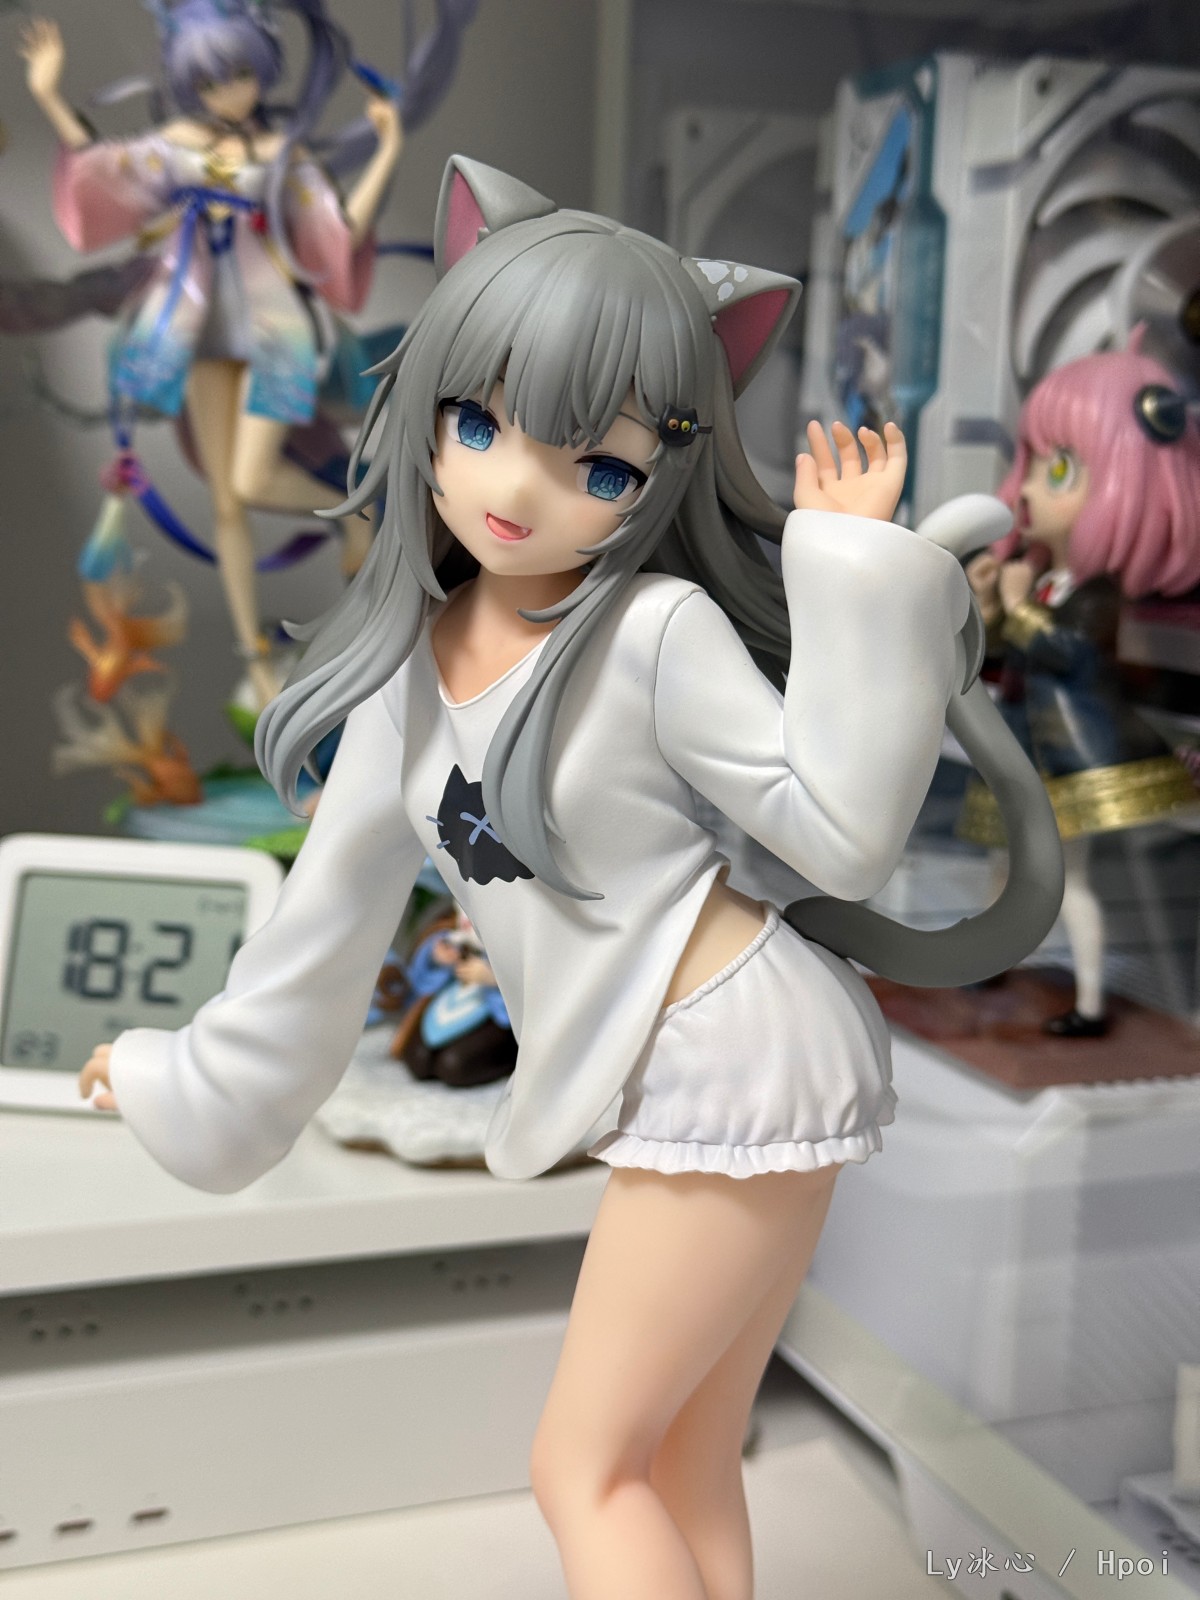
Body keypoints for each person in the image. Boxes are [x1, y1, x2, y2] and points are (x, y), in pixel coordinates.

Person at [81, 155, 1058, 1600]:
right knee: (682, 1458)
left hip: (732, 1049)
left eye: (600, 467)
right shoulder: (407, 675)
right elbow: (321, 931)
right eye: (477, 424)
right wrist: (187, 1077)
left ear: (663, 474)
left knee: (582, 1468)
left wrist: (854, 567)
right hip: (711, 1057)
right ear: (427, 409)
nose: (515, 488)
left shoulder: (654, 628)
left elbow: (839, 833)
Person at [20, 1, 404, 707]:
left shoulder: (281, 150)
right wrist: (49, 96)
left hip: (273, 332)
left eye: (241, 74)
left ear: (263, 67)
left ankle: (360, 514)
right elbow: (103, 177)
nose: (230, 93)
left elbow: (336, 231)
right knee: (228, 503)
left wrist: (387, 150)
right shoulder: (173, 145)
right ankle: (254, 660)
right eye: (210, 81)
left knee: (254, 482)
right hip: (196, 328)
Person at [962, 338, 1200, 1036]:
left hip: (1070, 759)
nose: (1028, 488)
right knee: (1004, 869)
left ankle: (1091, 1004)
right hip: (1025, 750)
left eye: (1059, 469)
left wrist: (1019, 606)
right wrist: (991, 603)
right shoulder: (1046, 578)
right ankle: (995, 958)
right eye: (1033, 464)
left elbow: (1068, 653)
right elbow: (1007, 651)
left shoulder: (1096, 593)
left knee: (1067, 885)